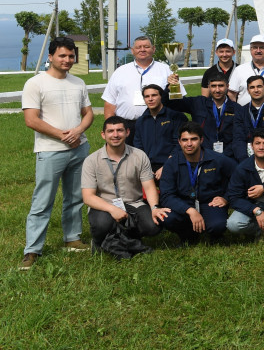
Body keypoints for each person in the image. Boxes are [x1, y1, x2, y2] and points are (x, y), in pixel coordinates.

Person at [81, 116, 167, 250]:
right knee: (102, 224)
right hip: (105, 205)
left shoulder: (139, 156)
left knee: (153, 225)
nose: (115, 135)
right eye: (110, 131)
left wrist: (154, 208)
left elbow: (149, 188)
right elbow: (88, 197)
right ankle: (101, 241)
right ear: (103, 135)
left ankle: (124, 238)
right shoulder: (91, 160)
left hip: (133, 203)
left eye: (119, 130)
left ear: (127, 132)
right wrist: (112, 209)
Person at [158, 122, 236, 243]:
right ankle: (188, 235)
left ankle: (215, 235)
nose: (189, 144)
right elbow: (166, 195)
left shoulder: (217, 159)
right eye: (185, 140)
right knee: (166, 218)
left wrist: (226, 198)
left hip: (210, 203)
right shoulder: (171, 163)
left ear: (201, 140)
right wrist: (190, 210)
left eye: (193, 139)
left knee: (218, 225)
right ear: (179, 142)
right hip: (184, 203)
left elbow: (238, 178)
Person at [164, 74, 244, 158]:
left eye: (221, 86)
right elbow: (170, 103)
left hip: (228, 157)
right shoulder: (198, 103)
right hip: (202, 156)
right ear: (209, 87)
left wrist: (224, 156)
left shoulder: (237, 109)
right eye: (213, 86)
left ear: (227, 86)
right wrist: (170, 87)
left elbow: (238, 137)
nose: (217, 90)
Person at [102, 35, 170, 122]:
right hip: (127, 124)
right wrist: (110, 125)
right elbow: (110, 102)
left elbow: (177, 99)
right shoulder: (120, 71)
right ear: (132, 51)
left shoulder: (166, 70)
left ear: (153, 49)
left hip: (158, 123)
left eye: (146, 47)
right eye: (138, 47)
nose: (142, 50)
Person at [131, 83, 187, 176]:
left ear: (161, 97)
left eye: (154, 95)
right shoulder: (141, 121)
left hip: (173, 164)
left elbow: (179, 144)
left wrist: (166, 166)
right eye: (147, 96)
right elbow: (138, 147)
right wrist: (145, 168)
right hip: (147, 167)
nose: (150, 99)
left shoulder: (175, 117)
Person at [228, 34, 264, 107]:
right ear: (251, 50)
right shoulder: (239, 70)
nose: (258, 50)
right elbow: (231, 94)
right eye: (255, 47)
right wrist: (237, 111)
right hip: (245, 115)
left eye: (262, 47)